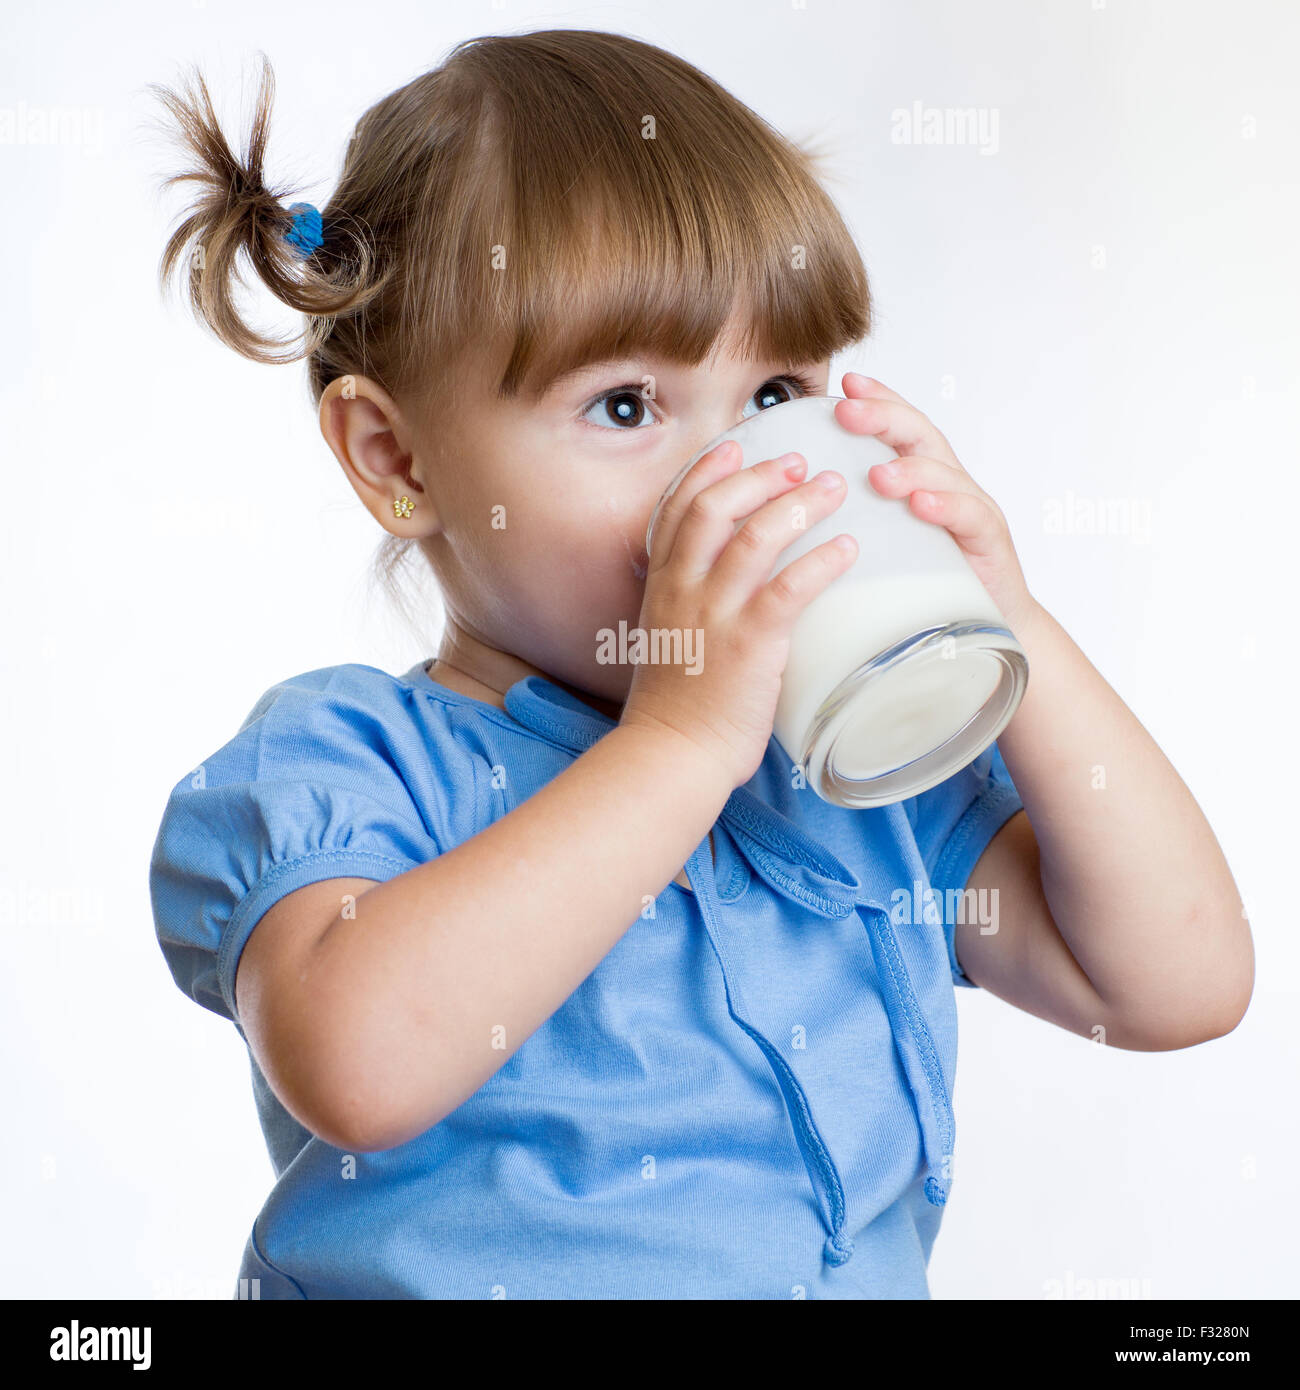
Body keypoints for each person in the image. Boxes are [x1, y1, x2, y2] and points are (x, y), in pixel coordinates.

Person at [147, 30, 1252, 1300]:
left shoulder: (847, 776)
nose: (733, 474)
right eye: (624, 406)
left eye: (777, 396)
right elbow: (361, 1065)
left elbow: (1179, 983)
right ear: (398, 462)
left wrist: (1016, 626)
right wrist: (678, 744)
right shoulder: (349, 765)